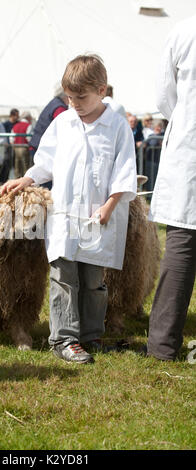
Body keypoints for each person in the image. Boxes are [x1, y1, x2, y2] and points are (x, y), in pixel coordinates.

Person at [1, 54, 137, 364]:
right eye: (69, 97)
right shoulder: (63, 123)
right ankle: (63, 338)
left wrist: (110, 204)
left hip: (96, 216)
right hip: (64, 216)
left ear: (101, 90)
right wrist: (26, 179)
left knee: (93, 280)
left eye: (80, 97)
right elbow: (46, 161)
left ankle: (91, 334)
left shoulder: (116, 126)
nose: (73, 103)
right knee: (63, 276)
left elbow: (125, 169)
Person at [147, 15, 196, 361]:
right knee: (181, 247)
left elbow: (164, 95)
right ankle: (162, 344)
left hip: (190, 149)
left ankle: (163, 346)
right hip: (189, 155)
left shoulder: (184, 30)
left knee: (181, 248)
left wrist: (184, 119)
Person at [29, 86, 69, 189]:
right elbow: (63, 130)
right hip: (44, 150)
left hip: (36, 145)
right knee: (46, 186)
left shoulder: (53, 104)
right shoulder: (59, 108)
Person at [0, 109, 20, 184]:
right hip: (4, 149)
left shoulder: (18, 124)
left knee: (12, 166)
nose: (17, 117)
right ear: (12, 115)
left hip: (13, 147)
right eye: (16, 115)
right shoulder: (4, 125)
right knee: (5, 164)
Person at [144, 119, 164, 193]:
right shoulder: (151, 136)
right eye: (157, 126)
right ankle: (150, 195)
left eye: (160, 126)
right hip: (151, 161)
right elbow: (153, 143)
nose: (159, 128)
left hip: (160, 161)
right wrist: (157, 136)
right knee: (151, 177)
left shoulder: (163, 135)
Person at [11, 111, 33, 178]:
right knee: (26, 167)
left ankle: (16, 181)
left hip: (16, 148)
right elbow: (29, 138)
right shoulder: (28, 125)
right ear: (28, 118)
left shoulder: (15, 125)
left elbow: (11, 139)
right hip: (24, 147)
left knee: (17, 167)